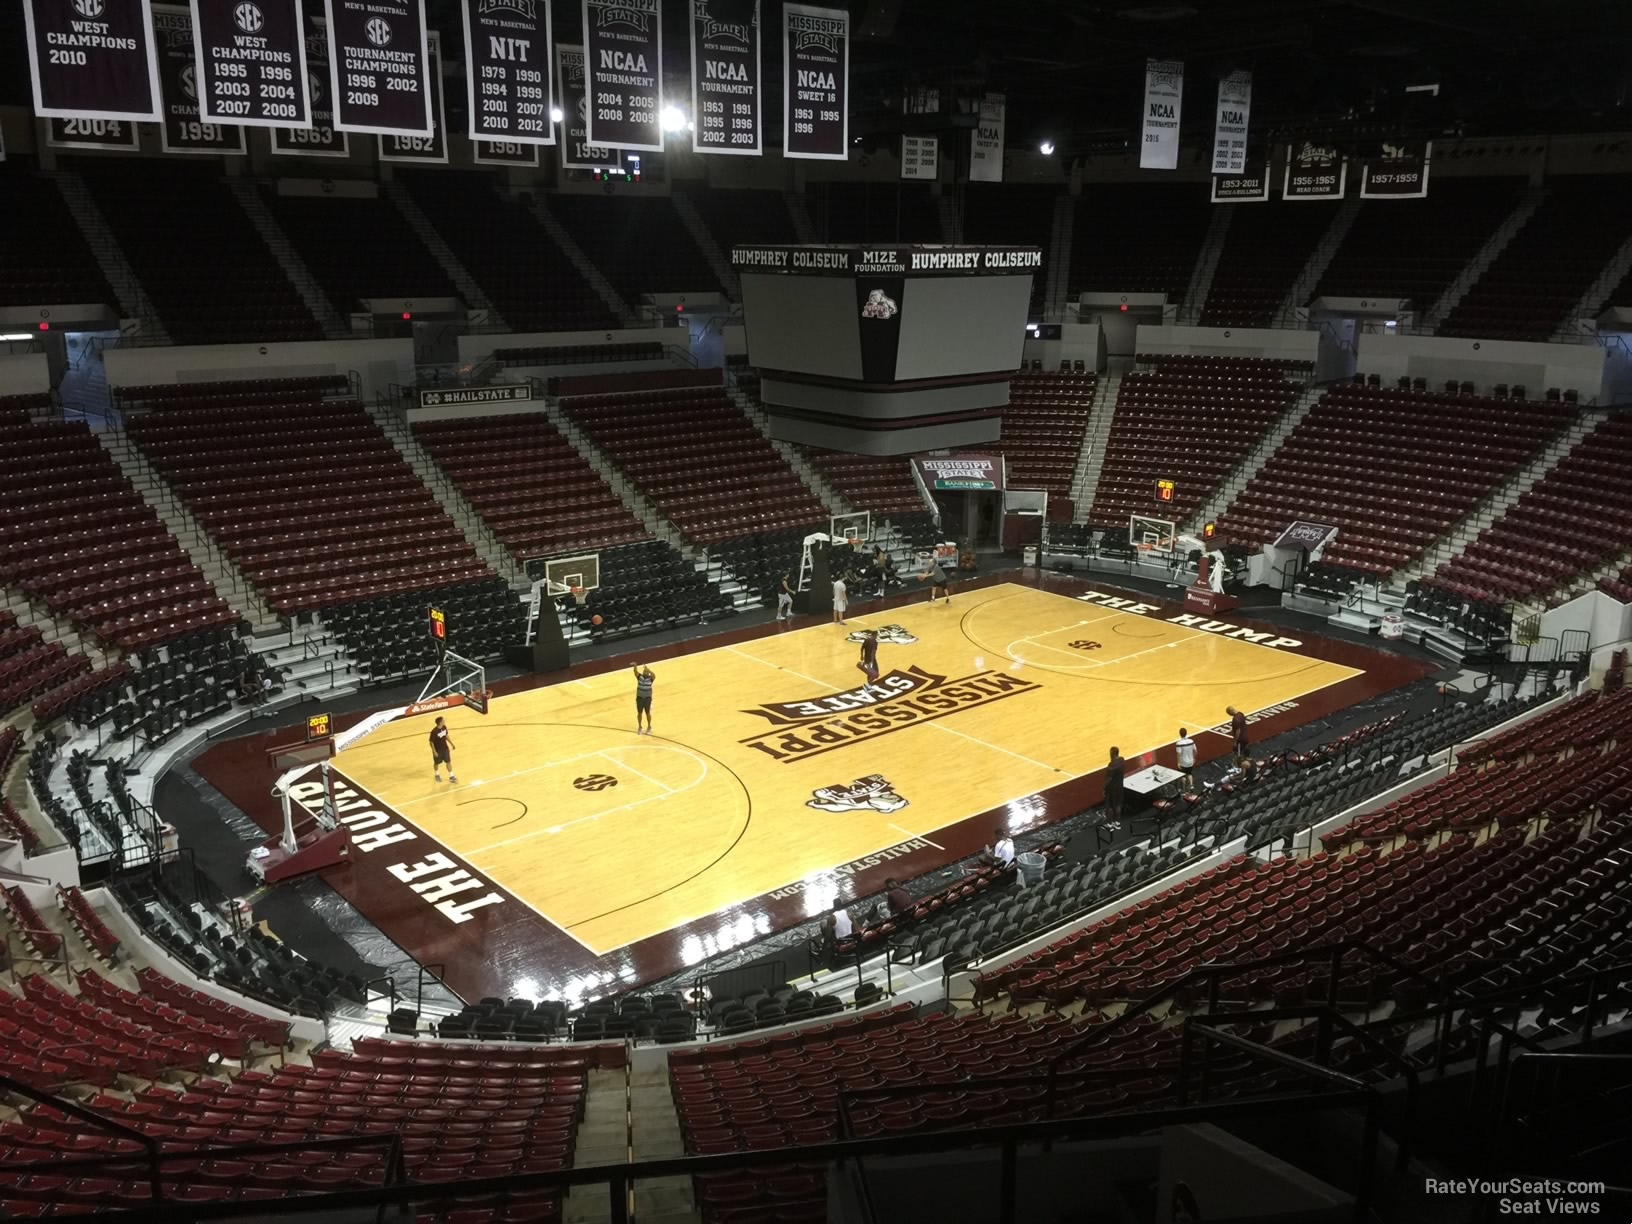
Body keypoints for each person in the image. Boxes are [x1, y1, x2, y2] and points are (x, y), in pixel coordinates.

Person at [430, 716, 456, 782]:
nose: (444, 721)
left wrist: (452, 744)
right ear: (440, 722)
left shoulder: (444, 727)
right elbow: (431, 742)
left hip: (445, 749)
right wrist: (434, 751)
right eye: (443, 720)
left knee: (448, 762)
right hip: (438, 750)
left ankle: (451, 776)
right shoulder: (434, 732)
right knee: (437, 763)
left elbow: (446, 736)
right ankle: (437, 774)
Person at [855, 628, 881, 693]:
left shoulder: (866, 640)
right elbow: (873, 652)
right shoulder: (874, 642)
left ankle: (868, 685)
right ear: (875, 635)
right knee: (876, 674)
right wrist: (872, 662)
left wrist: (861, 656)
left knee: (869, 672)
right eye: (876, 635)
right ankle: (867, 685)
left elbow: (862, 648)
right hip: (871, 660)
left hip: (866, 659)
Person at [633, 663, 655, 735]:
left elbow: (654, 676)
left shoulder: (650, 679)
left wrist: (649, 670)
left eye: (646, 671)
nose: (644, 672)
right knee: (639, 713)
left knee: (647, 713)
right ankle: (640, 727)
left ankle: (649, 727)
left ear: (648, 673)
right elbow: (635, 672)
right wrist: (635, 666)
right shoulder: (640, 677)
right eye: (643, 671)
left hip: (647, 699)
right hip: (640, 698)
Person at [1104, 746, 1125, 822]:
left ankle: (1109, 823)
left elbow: (1109, 778)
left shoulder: (1111, 764)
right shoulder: (1122, 760)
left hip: (1112, 788)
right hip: (1120, 786)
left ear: (1112, 753)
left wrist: (1104, 787)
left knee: (1109, 806)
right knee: (1118, 805)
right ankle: (1117, 822)